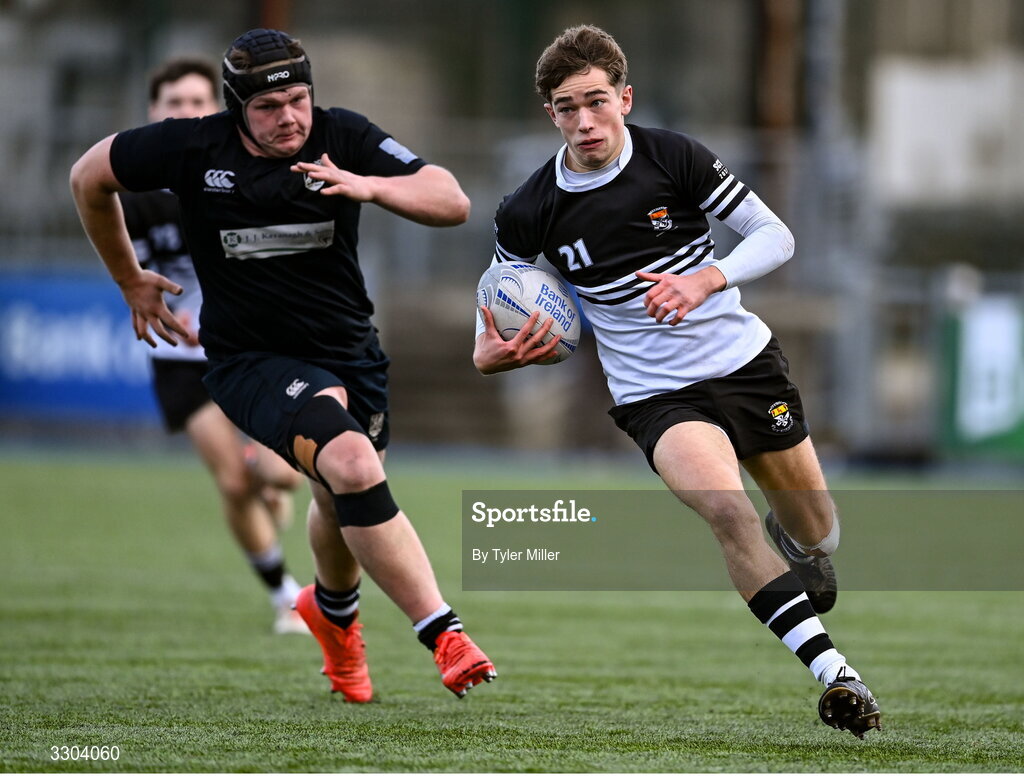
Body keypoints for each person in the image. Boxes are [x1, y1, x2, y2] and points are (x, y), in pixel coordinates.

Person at [474, 25, 880, 738]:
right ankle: (835, 672)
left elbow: (775, 236)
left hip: (744, 365)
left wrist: (704, 278)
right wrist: (500, 355)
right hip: (655, 396)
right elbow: (489, 323)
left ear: (624, 98)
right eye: (567, 107)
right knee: (726, 511)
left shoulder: (674, 157)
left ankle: (802, 544)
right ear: (551, 115)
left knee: (819, 529)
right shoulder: (528, 208)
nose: (585, 121)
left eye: (597, 101)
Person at [70, 28, 496, 701]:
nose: (289, 117)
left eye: (298, 99)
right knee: (351, 463)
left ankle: (332, 618)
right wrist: (129, 278)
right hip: (250, 360)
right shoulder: (190, 145)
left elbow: (451, 199)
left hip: (352, 351)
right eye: (269, 107)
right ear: (237, 107)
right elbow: (88, 176)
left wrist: (368, 186)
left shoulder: (341, 135)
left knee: (338, 495)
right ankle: (443, 630)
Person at [119, 56, 308, 636]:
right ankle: (284, 596)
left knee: (284, 477)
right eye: (173, 103)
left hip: (254, 344)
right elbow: (111, 234)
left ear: (220, 109)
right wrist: (137, 287)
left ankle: (265, 483)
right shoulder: (130, 186)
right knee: (231, 481)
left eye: (198, 101)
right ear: (154, 113)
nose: (186, 113)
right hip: (181, 353)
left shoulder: (246, 173)